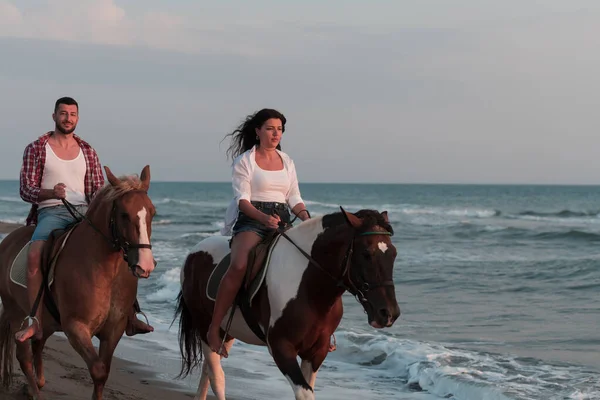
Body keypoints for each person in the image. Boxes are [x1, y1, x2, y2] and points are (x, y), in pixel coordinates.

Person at [15, 96, 154, 342]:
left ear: (77, 118)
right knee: (35, 253)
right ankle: (34, 320)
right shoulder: (37, 148)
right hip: (51, 211)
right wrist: (49, 193)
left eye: (72, 114)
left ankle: (130, 315)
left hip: (84, 213)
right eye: (63, 113)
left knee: (124, 248)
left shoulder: (87, 151)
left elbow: (95, 192)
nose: (68, 118)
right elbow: (25, 189)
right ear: (54, 116)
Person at [208, 108, 311, 357]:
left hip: (282, 218)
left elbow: (293, 197)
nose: (276, 134)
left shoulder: (287, 161)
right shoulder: (245, 160)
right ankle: (214, 328)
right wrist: (263, 218)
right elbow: (243, 201)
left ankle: (320, 330)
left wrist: (306, 217)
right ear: (258, 131)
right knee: (239, 265)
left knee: (311, 262)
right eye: (270, 128)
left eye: (279, 129)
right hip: (252, 220)